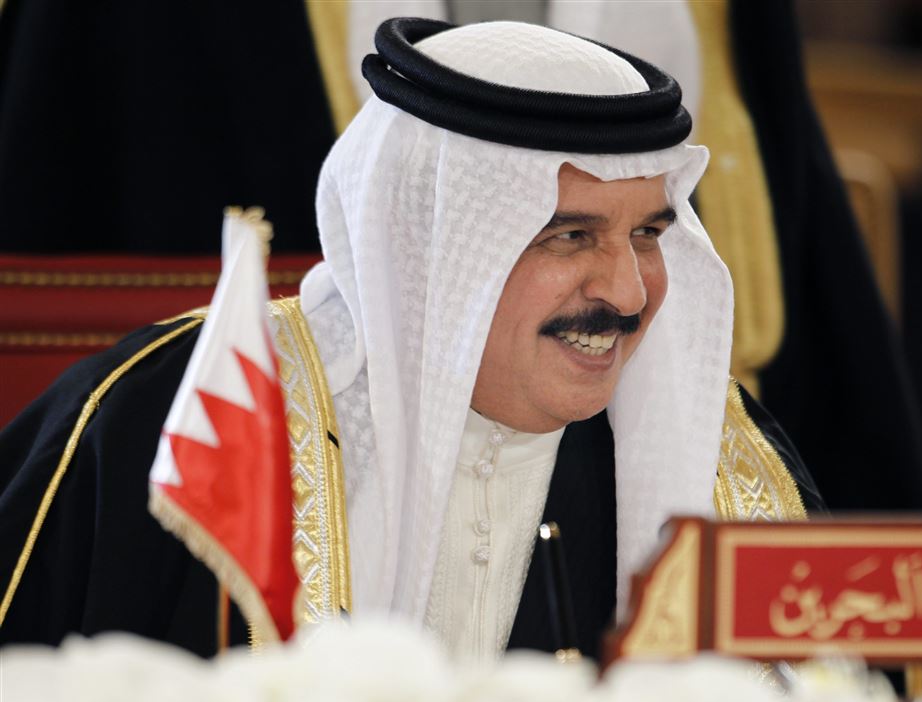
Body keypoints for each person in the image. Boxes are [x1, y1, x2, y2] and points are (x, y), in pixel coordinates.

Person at [0, 18, 823, 661]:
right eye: (570, 236)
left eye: (647, 234)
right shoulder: (171, 420)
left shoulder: (722, 468)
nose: (628, 293)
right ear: (430, 243)